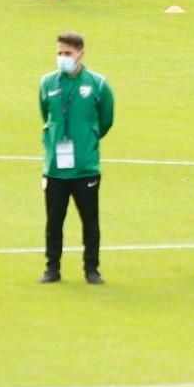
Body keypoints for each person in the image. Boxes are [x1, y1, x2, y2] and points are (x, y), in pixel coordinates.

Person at [38, 31, 114, 285]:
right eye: (59, 53)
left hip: (85, 167)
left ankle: (92, 270)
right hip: (55, 168)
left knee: (90, 222)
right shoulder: (47, 83)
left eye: (67, 54)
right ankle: (52, 269)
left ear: (81, 53)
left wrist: (89, 139)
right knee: (54, 222)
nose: (62, 58)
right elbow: (45, 115)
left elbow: (106, 120)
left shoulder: (98, 84)